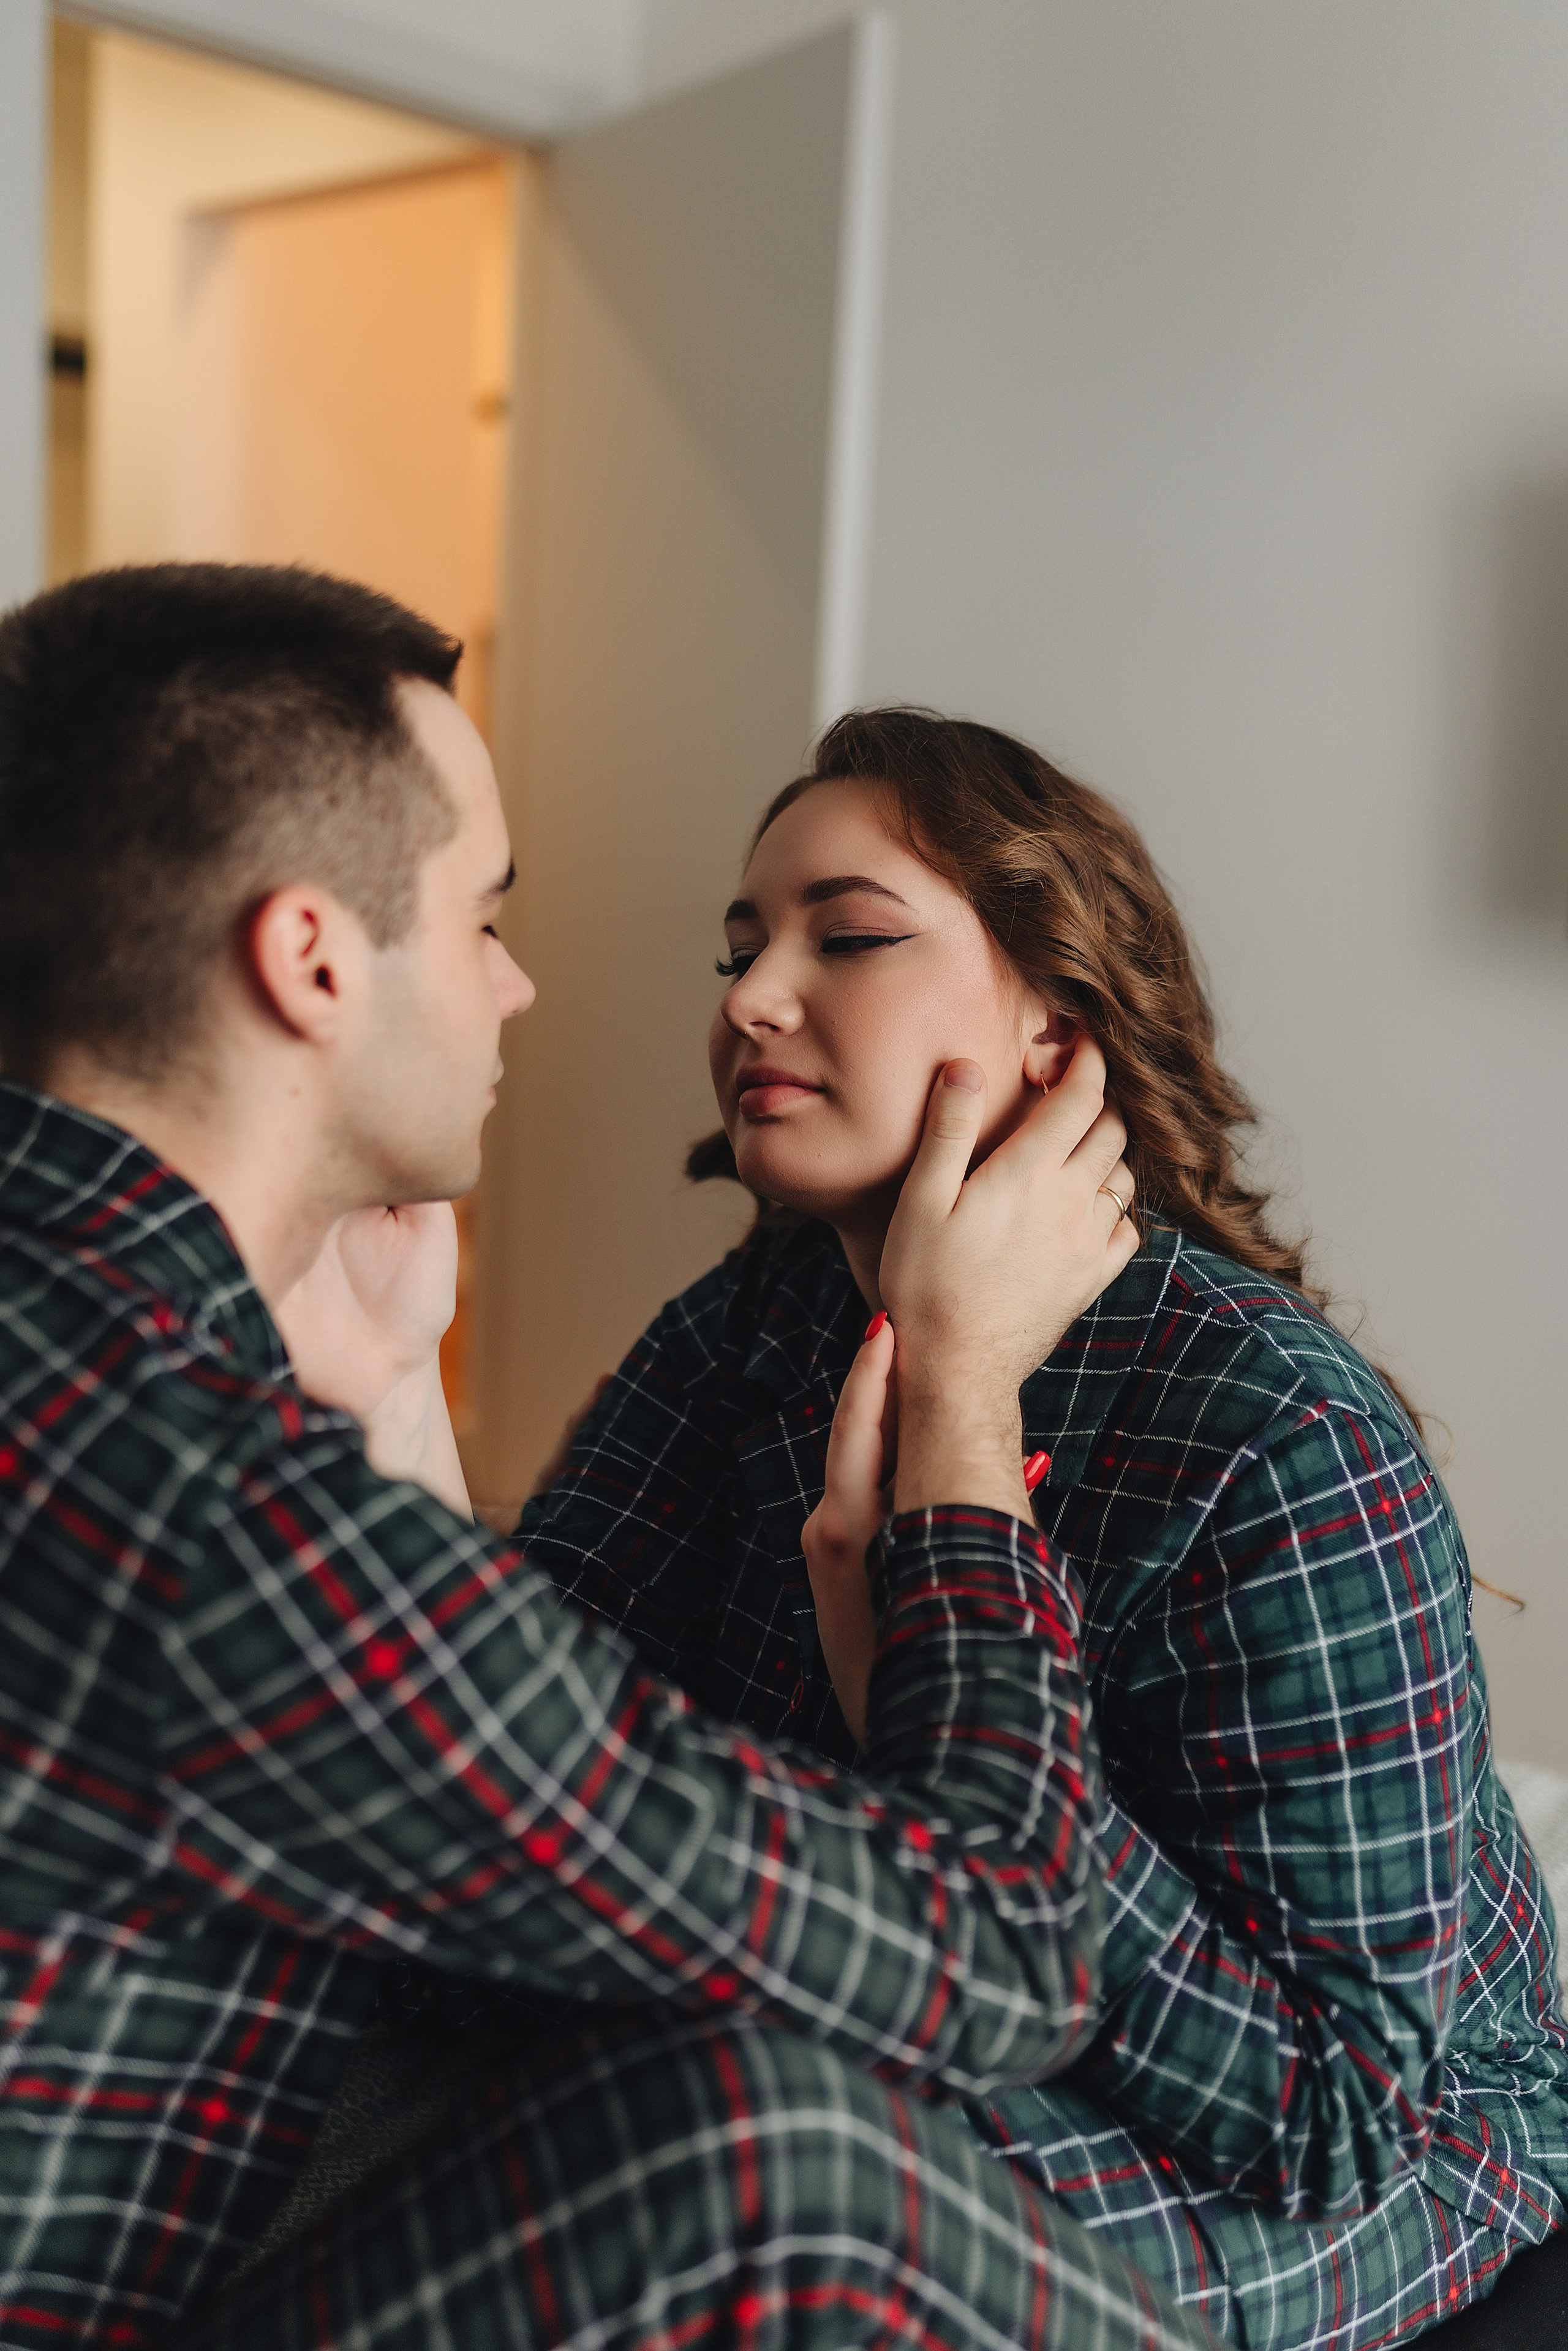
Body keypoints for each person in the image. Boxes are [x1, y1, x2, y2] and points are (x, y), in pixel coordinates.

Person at [0, 567, 1224, 2351]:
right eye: (482, 917)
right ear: (313, 960)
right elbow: (1007, 1953)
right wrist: (964, 1403)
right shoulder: (206, 1512)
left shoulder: (108, 1373)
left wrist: (385, 1396)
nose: (519, 985)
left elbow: (451, 1765)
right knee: (785, 2155)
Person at [513, 708, 1568, 2350]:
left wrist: (936, 1711)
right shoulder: (748, 1328)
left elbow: (1329, 2116)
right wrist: (389, 1383)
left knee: (766, 2176)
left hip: (1364, 2151)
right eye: (739, 949)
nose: (751, 999)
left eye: (848, 937)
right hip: (917, 2015)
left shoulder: (1272, 1428)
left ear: (1056, 1029)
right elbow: (511, 1776)